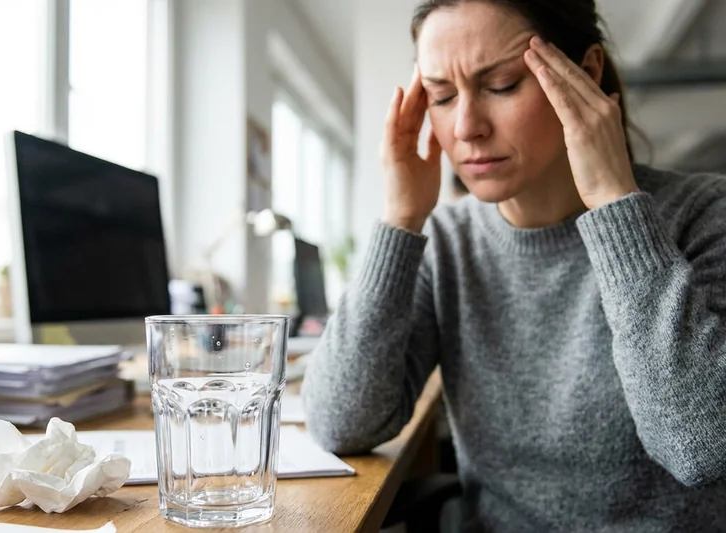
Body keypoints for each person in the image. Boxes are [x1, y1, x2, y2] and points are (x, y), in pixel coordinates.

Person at [301, 0, 726, 530]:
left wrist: (616, 205)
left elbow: (700, 447)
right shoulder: (447, 242)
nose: (466, 127)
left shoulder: (705, 214)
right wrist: (400, 219)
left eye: (501, 85)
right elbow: (340, 423)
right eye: (441, 96)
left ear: (586, 72)